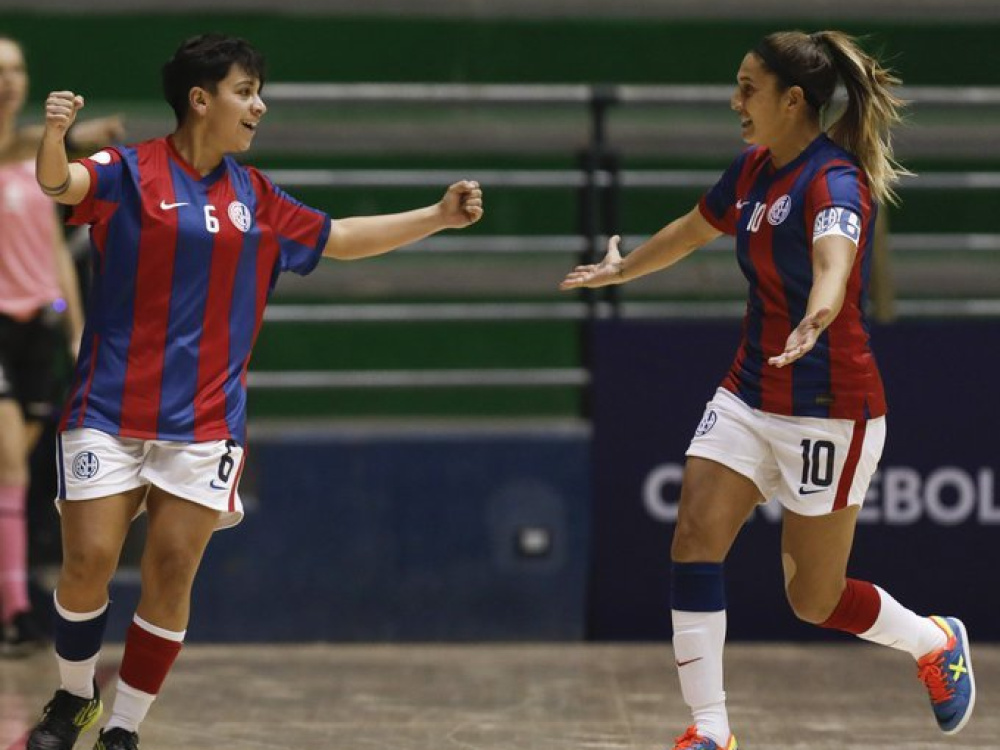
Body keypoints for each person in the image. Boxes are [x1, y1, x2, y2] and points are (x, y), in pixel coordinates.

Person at [26, 33, 483, 750]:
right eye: (245, 92)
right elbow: (61, 185)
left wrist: (437, 216)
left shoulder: (256, 196)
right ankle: (75, 697)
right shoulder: (130, 170)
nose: (259, 106)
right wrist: (54, 137)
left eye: (259, 93)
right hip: (108, 410)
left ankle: (123, 728)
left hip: (206, 423)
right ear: (200, 100)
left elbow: (341, 238)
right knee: (87, 564)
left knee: (171, 571)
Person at [561, 30, 974, 750]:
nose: (735, 101)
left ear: (792, 101)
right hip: (751, 389)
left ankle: (933, 642)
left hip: (829, 409)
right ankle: (711, 730)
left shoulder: (834, 180)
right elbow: (692, 230)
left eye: (748, 88)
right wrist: (621, 270)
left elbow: (834, 259)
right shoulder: (752, 170)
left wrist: (820, 312)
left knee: (814, 599)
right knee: (694, 533)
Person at [0, 34, 123, 657]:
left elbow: (54, 250)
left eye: (17, 69)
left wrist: (75, 327)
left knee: (14, 471)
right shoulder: (24, 148)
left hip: (40, 327)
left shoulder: (34, 157)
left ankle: (13, 598)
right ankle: (16, 611)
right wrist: (78, 135)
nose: (9, 80)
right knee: (11, 464)